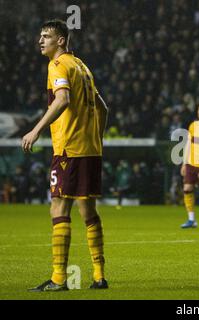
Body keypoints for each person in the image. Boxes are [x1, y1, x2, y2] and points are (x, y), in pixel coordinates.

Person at [22, 19, 109, 291]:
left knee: (58, 207)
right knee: (88, 211)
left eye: (46, 36)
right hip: (90, 148)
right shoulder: (82, 66)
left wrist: (36, 130)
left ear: (61, 40)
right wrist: (96, 137)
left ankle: (59, 278)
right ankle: (99, 275)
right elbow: (103, 108)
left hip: (69, 148)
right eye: (40, 36)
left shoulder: (57, 65)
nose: (40, 41)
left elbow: (62, 99)